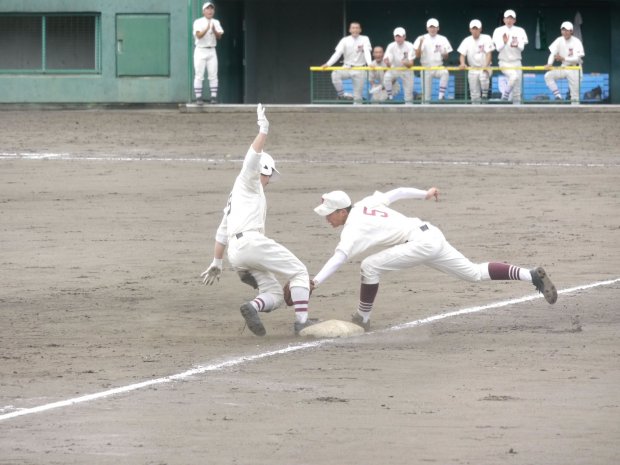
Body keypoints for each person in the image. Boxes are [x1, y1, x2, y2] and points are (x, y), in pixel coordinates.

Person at [311, 187, 557, 331]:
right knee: (473, 273)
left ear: (342, 211)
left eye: (329, 214)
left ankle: (362, 318)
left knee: (369, 266)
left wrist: (315, 282)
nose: (327, 219)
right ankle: (530, 275)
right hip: (431, 234)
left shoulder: (353, 227)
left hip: (419, 243)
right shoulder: (366, 203)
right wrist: (424, 193)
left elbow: (339, 257)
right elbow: (397, 192)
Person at [201, 104, 316, 336]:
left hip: (236, 254)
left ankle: (253, 307)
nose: (270, 179)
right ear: (265, 170)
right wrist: (263, 130)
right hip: (251, 244)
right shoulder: (249, 181)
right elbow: (251, 160)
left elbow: (222, 231)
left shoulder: (238, 196)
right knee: (299, 272)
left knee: (274, 294)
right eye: (270, 174)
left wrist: (217, 261)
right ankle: (302, 322)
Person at [321, 21, 373, 104]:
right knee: (335, 74)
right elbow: (338, 53)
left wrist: (370, 63)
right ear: (349, 30)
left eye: (357, 28)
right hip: (347, 67)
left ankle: (357, 115)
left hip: (360, 69)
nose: (355, 29)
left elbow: (367, 52)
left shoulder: (365, 38)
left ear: (360, 30)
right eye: (353, 28)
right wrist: (328, 64)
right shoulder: (345, 40)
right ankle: (341, 95)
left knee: (358, 97)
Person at [544, 21, 585, 104]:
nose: (565, 32)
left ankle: (575, 113)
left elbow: (578, 58)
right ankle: (558, 96)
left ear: (571, 31)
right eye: (563, 30)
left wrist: (564, 58)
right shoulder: (559, 40)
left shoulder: (576, 41)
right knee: (548, 76)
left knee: (575, 95)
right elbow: (552, 54)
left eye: (567, 30)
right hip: (564, 67)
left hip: (575, 68)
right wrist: (549, 63)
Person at [492, 9, 528, 104]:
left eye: (511, 18)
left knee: (517, 90)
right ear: (504, 19)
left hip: (517, 62)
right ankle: (505, 95)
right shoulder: (498, 30)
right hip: (504, 61)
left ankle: (516, 112)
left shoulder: (520, 30)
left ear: (514, 20)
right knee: (513, 76)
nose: (509, 20)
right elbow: (498, 49)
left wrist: (517, 44)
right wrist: (504, 42)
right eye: (507, 18)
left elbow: (522, 48)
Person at [413, 18, 453, 102]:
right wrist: (420, 43)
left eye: (434, 27)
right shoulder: (421, 38)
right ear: (427, 28)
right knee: (426, 98)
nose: (432, 29)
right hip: (425, 68)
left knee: (445, 72)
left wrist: (444, 53)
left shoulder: (443, 39)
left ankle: (441, 97)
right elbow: (417, 55)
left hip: (438, 66)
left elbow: (446, 57)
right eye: (430, 27)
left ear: (438, 28)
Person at [193, 2, 224, 104]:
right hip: (200, 50)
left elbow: (219, 36)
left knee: (213, 74)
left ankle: (213, 97)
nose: (210, 10)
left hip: (211, 50)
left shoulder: (216, 22)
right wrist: (207, 28)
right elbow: (198, 36)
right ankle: (198, 98)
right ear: (203, 11)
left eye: (211, 9)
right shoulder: (198, 22)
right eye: (207, 9)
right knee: (199, 74)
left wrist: (214, 30)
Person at [457, 19, 495, 103]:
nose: (475, 30)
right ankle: (475, 113)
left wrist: (486, 65)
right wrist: (462, 63)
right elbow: (462, 55)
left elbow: (489, 53)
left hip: (485, 66)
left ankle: (484, 97)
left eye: (477, 28)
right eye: (473, 28)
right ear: (470, 29)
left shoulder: (486, 37)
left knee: (483, 77)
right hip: (473, 68)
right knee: (474, 94)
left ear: (480, 29)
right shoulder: (467, 40)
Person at [383, 27, 416, 104]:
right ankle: (390, 97)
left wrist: (405, 63)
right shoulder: (391, 46)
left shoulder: (410, 45)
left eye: (400, 36)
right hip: (395, 68)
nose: (398, 38)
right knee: (387, 77)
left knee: (408, 94)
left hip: (407, 70)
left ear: (404, 36)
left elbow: (411, 64)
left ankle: (409, 107)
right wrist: (387, 62)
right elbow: (388, 64)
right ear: (394, 37)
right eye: (396, 36)